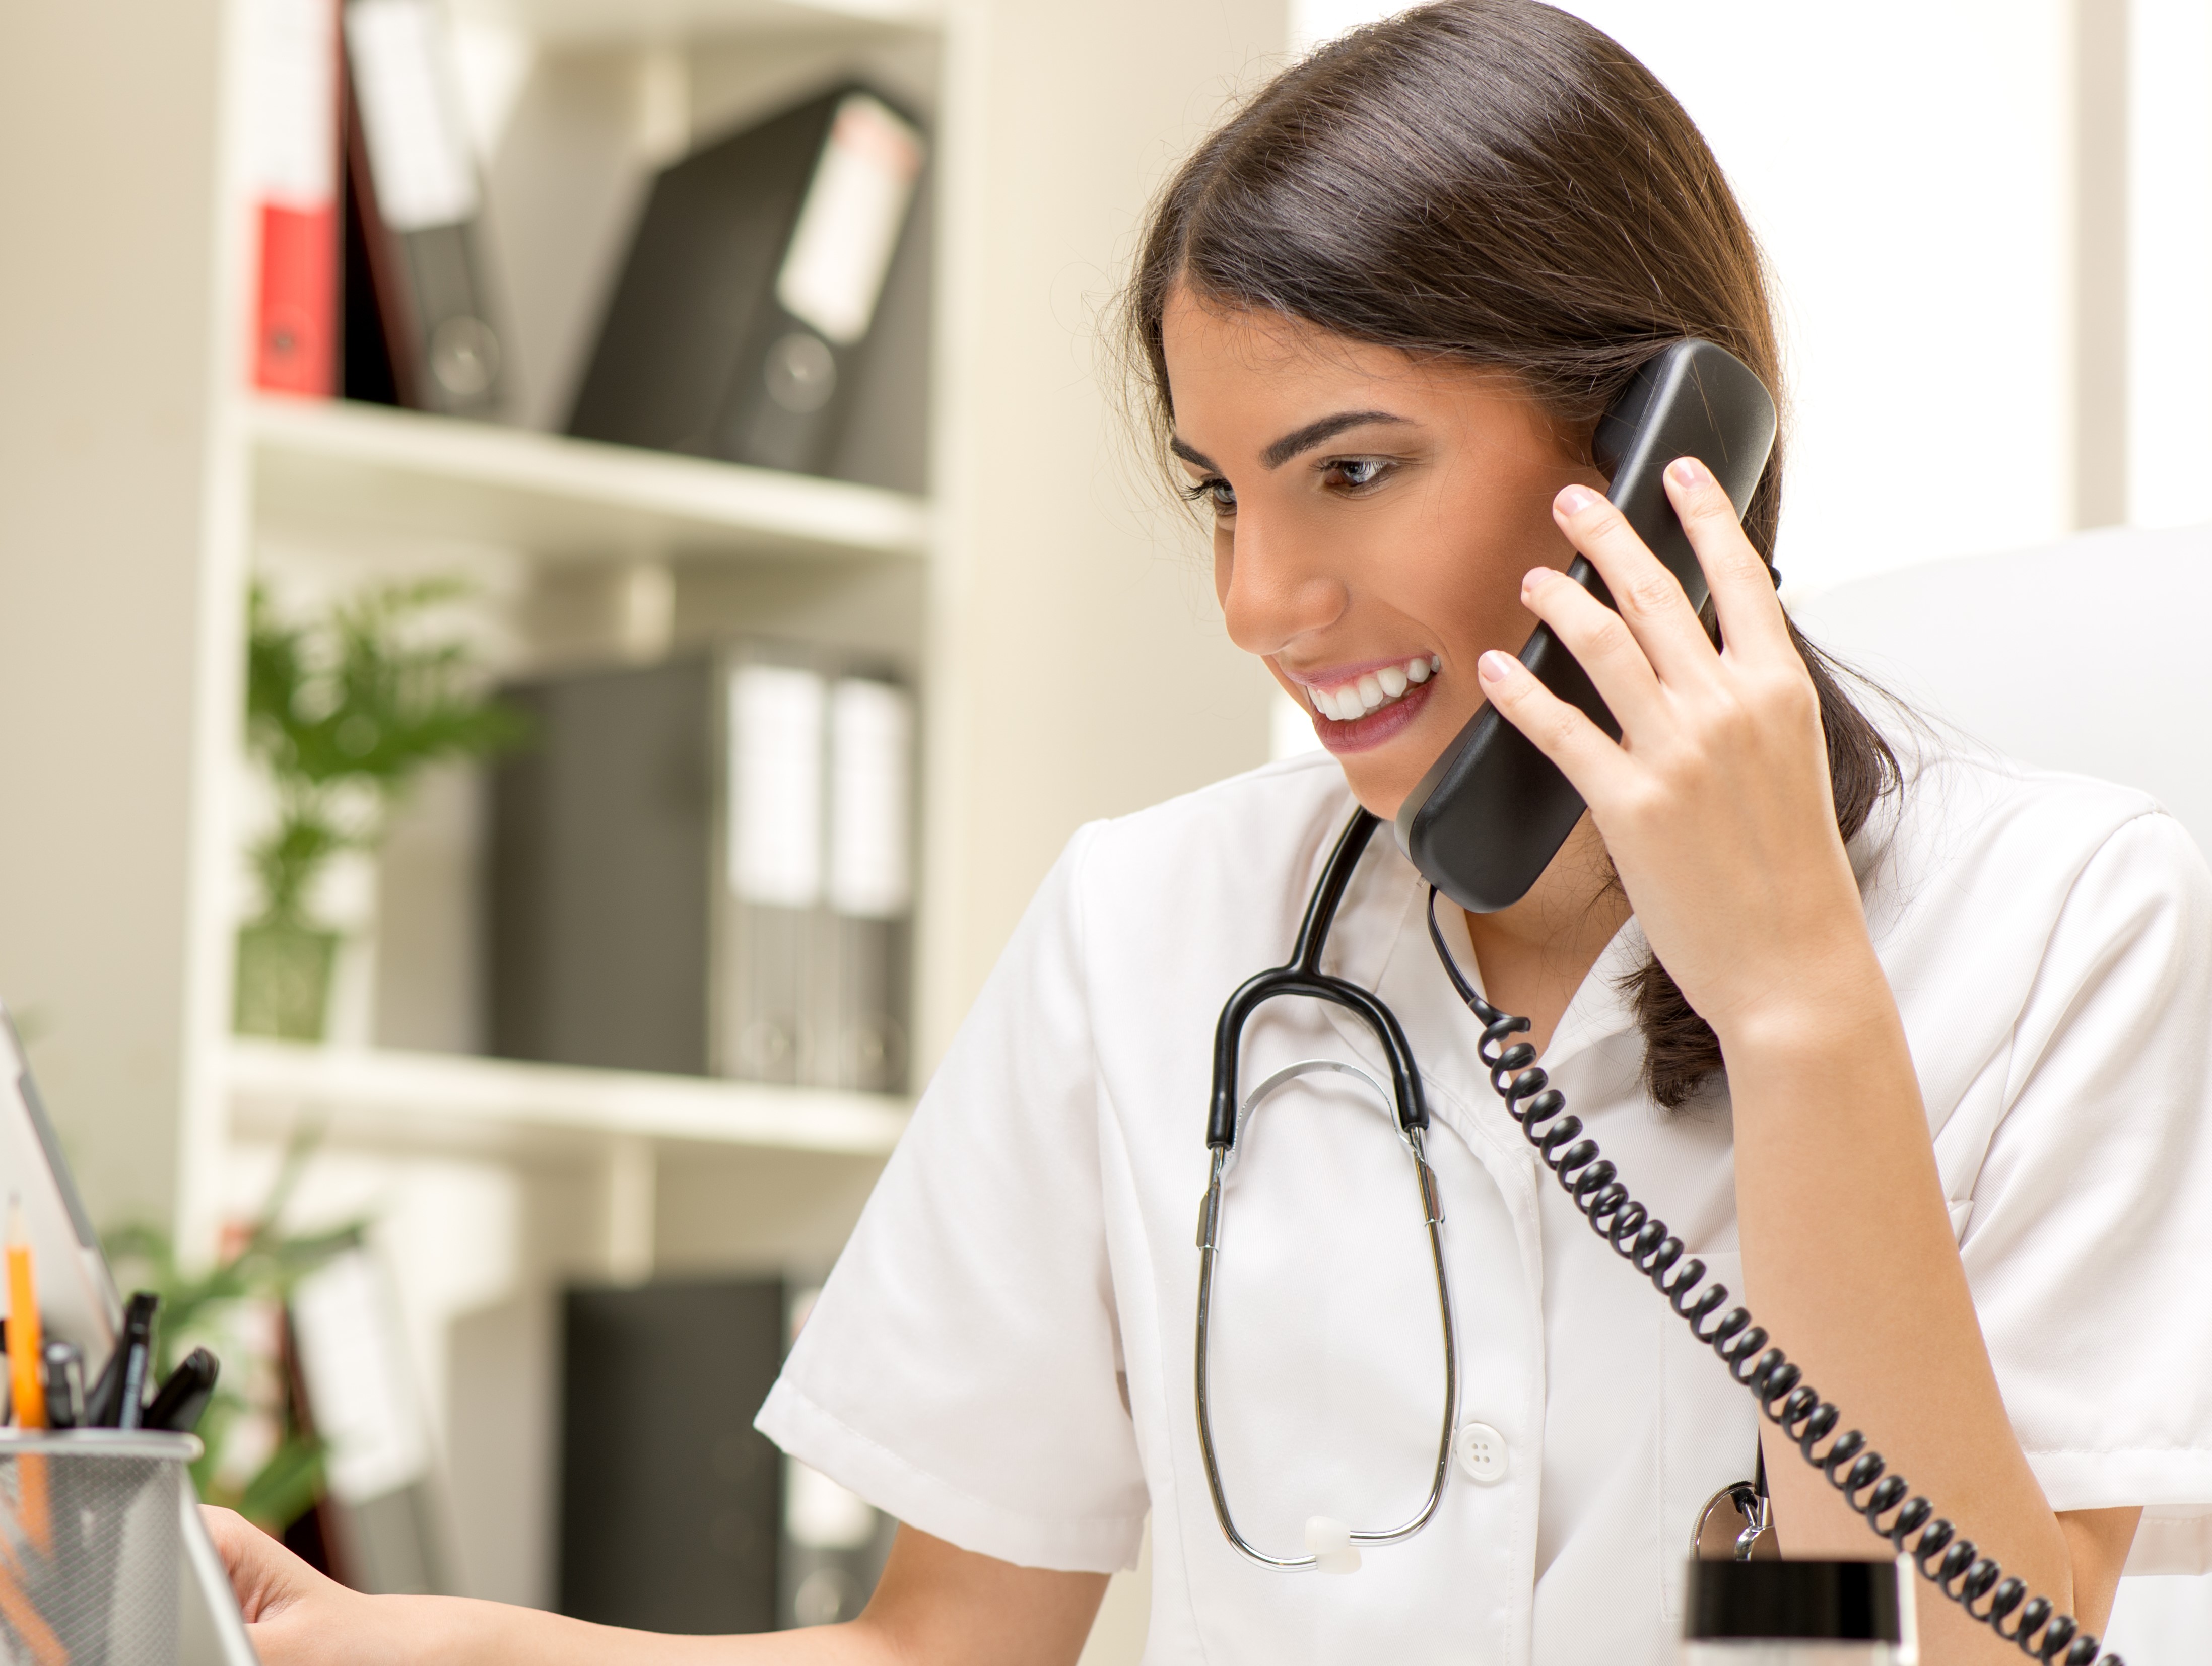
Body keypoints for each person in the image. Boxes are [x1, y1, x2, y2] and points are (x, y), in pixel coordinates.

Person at [207, 3, 2212, 1661]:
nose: (1260, 598)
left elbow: (1989, 1647)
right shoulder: (1149, 923)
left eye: (1348, 469)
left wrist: (1789, 1003)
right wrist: (426, 1643)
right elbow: (942, 1649)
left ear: (1661, 444)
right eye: (1220, 492)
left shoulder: (2062, 919)